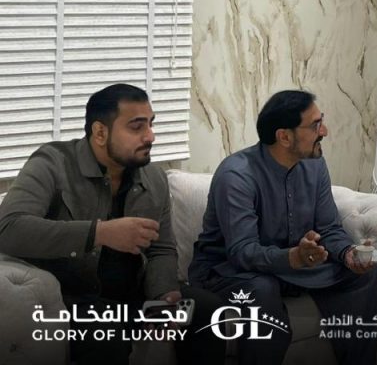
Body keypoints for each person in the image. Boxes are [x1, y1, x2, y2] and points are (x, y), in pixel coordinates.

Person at [0, 83, 225, 365]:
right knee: (106, 333)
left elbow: (161, 248)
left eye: (151, 124)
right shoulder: (52, 164)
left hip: (136, 294)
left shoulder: (153, 177)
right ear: (100, 132)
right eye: (137, 127)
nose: (150, 136)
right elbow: (8, 228)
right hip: (75, 298)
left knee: (206, 310)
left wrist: (163, 295)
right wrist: (99, 233)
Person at [189, 89, 377, 365]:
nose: (324, 131)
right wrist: (293, 257)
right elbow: (242, 252)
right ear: (284, 137)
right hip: (228, 271)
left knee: (366, 271)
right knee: (262, 288)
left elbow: (329, 228)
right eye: (315, 125)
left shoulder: (315, 165)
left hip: (290, 266)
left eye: (321, 121)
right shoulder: (237, 175)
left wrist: (348, 253)